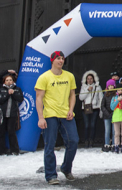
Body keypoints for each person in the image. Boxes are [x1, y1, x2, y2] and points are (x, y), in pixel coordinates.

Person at [35, 51, 78, 185]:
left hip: (66, 114)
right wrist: (41, 118)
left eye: (62, 58)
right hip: (50, 115)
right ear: (52, 60)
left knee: (74, 141)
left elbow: (72, 95)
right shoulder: (44, 77)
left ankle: (66, 168)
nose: (61, 61)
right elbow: (39, 98)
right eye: (58, 58)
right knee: (49, 146)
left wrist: (71, 110)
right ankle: (51, 175)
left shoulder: (69, 76)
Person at [0, 72, 23, 155]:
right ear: (4, 81)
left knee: (11, 132)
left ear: (13, 81)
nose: (9, 82)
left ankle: (14, 150)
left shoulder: (17, 89)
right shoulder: (1, 90)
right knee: (1, 132)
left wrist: (13, 93)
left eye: (10, 80)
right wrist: (7, 94)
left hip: (12, 114)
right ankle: (1, 150)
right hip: (2, 114)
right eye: (7, 80)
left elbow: (20, 99)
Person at [78, 70, 101, 149]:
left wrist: (100, 109)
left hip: (95, 108)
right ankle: (86, 140)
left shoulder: (97, 87)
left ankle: (91, 140)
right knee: (87, 125)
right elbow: (81, 98)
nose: (90, 80)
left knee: (93, 125)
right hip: (86, 108)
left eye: (91, 78)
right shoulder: (83, 87)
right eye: (88, 79)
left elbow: (100, 98)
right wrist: (88, 90)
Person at [110, 83, 122, 153]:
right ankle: (116, 145)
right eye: (118, 90)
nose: (120, 91)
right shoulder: (114, 97)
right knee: (117, 133)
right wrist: (117, 100)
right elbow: (112, 107)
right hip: (116, 117)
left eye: (121, 90)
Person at [100, 79, 116, 152]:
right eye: (109, 86)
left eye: (112, 85)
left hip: (114, 115)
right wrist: (107, 113)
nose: (111, 87)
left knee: (114, 131)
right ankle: (106, 144)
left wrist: (112, 113)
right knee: (107, 131)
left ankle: (113, 144)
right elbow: (102, 106)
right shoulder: (105, 95)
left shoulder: (116, 95)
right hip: (106, 116)